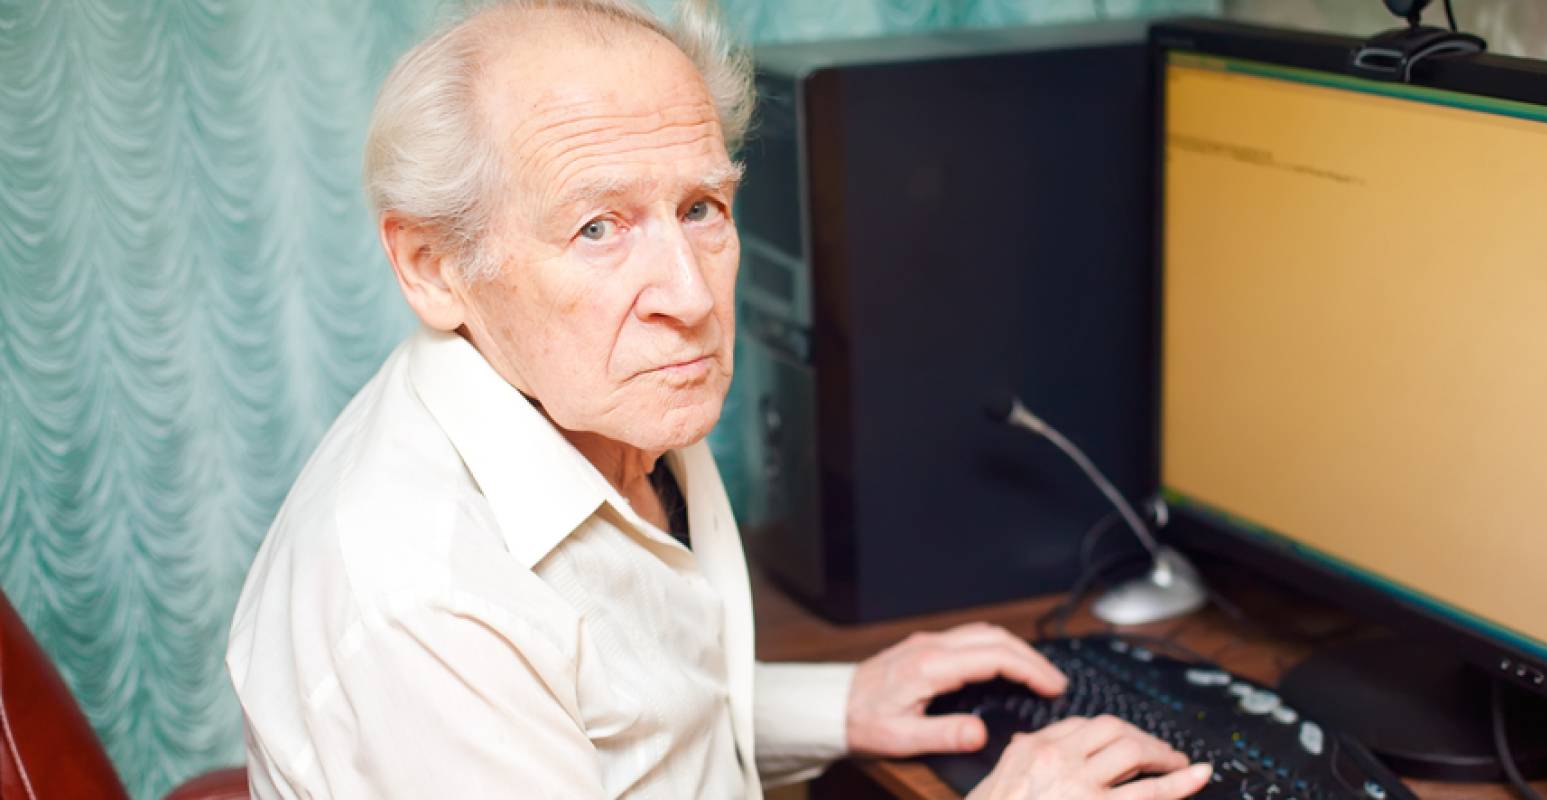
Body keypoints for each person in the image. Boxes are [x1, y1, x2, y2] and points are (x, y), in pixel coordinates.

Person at [226, 1, 1213, 797]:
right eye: (598, 228)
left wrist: (843, 703)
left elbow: (624, 720)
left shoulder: (607, 401)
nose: (692, 297)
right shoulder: (421, 599)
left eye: (701, 208)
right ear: (432, 266)